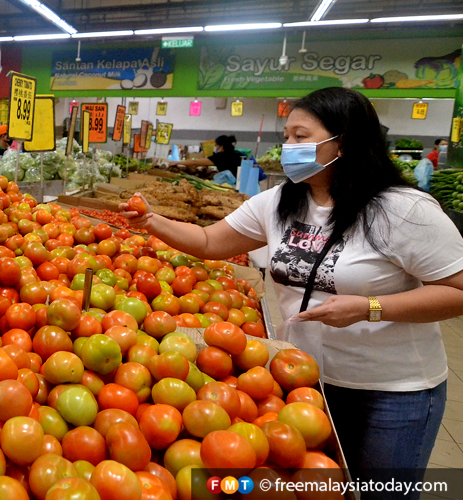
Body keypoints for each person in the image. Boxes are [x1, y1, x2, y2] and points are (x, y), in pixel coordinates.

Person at [121, 87, 463, 498]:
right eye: (287, 136)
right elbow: (210, 242)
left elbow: (457, 290)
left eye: (301, 137)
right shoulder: (279, 201)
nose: (289, 147)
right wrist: (152, 221)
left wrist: (369, 307)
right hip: (306, 383)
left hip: (391, 394)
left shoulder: (402, 209)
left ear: (345, 141)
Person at [168, 134, 243, 173]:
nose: (215, 147)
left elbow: (196, 162)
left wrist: (178, 162)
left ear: (221, 146)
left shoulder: (220, 157)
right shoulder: (237, 153)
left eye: (216, 145)